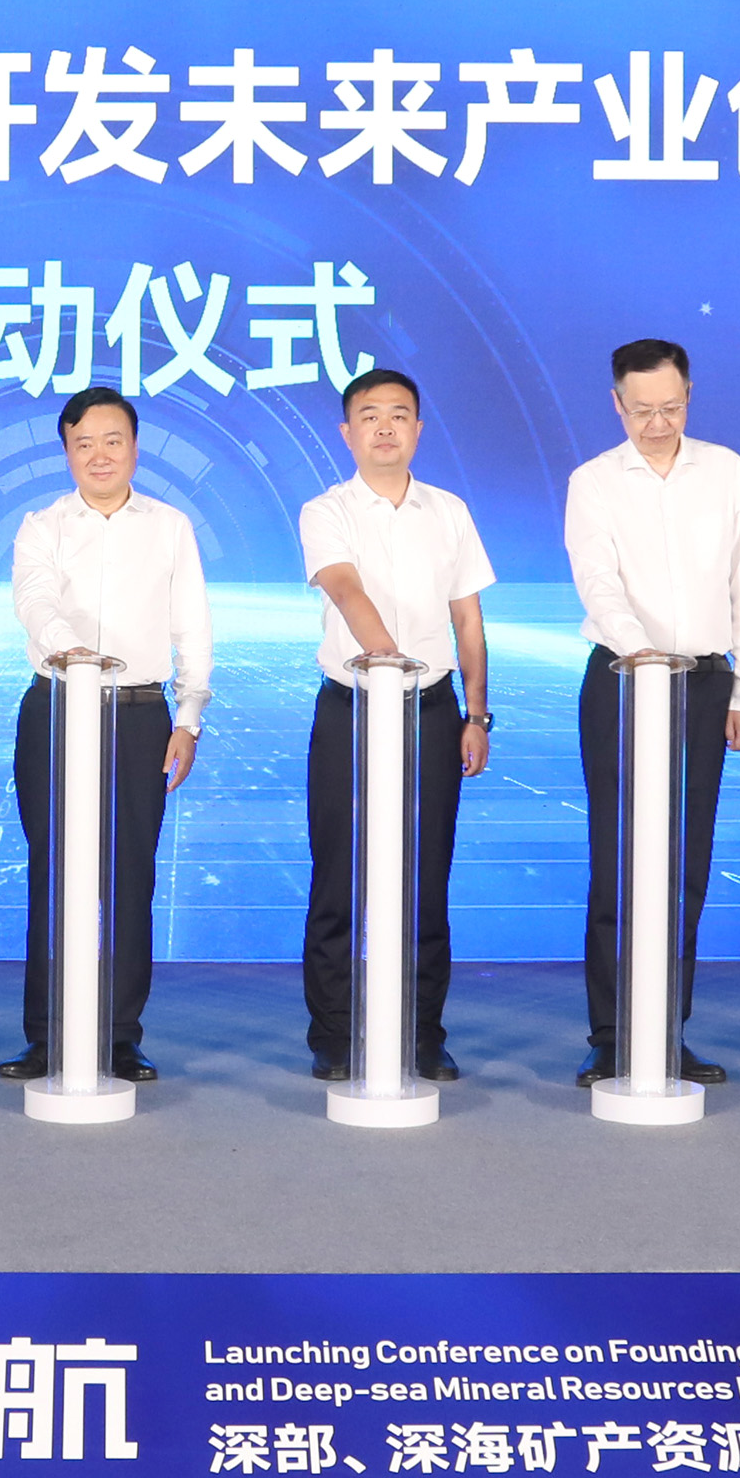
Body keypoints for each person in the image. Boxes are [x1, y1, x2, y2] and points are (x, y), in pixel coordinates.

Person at [562, 336, 740, 1085]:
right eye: (642, 410)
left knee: (686, 862)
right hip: (622, 680)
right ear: (617, 403)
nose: (657, 423)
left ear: (689, 397)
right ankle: (611, 1032)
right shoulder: (593, 481)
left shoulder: (725, 469)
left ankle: (665, 1029)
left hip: (705, 684)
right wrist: (641, 653)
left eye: (671, 408)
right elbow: (597, 580)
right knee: (618, 859)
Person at [2, 386, 209, 1083]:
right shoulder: (41, 525)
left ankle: (120, 1034)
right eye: (83, 442)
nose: (99, 454)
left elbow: (192, 624)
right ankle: (46, 1034)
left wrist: (189, 717)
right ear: (66, 451)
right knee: (53, 872)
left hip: (140, 713)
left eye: (112, 440)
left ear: (134, 447)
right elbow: (34, 599)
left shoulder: (169, 526)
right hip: (57, 705)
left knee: (130, 874)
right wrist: (73, 653)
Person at [301, 366, 495, 1081]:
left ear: (418, 428)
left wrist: (477, 713)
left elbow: (468, 620)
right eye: (370, 415)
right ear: (347, 431)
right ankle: (333, 1032)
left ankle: (422, 1032)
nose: (385, 427)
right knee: (339, 873)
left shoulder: (449, 511)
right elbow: (344, 587)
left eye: (399, 415)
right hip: (352, 705)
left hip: (432, 710)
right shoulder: (326, 509)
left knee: (425, 875)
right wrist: (387, 661)